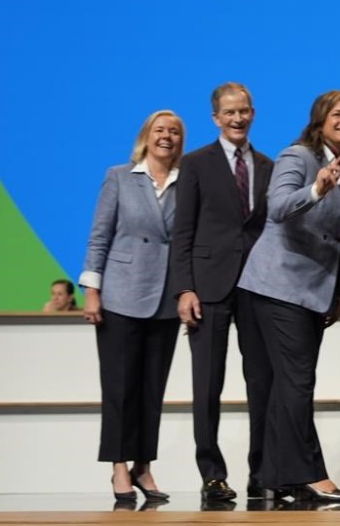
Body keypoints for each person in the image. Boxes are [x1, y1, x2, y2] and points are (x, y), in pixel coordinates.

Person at [237, 90, 340, 503]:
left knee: (288, 384)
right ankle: (310, 474)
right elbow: (277, 208)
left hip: (314, 290)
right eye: (338, 114)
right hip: (278, 285)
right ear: (320, 119)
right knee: (296, 382)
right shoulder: (299, 156)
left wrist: (336, 291)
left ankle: (278, 477)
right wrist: (317, 189)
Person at [169, 82, 274, 503]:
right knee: (207, 384)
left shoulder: (269, 166)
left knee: (262, 383)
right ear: (215, 118)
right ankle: (212, 474)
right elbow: (182, 233)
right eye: (229, 112)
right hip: (208, 289)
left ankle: (262, 471)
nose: (237, 118)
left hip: (258, 286)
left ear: (253, 113)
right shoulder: (195, 164)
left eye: (244, 111)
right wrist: (184, 288)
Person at [79, 110, 185, 502]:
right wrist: (92, 289)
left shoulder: (186, 181)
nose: (167, 136)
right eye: (160, 130)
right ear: (146, 136)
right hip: (121, 295)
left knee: (152, 388)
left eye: (174, 132)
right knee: (120, 387)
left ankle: (144, 466)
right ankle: (119, 467)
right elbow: (99, 235)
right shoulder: (120, 176)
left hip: (165, 297)